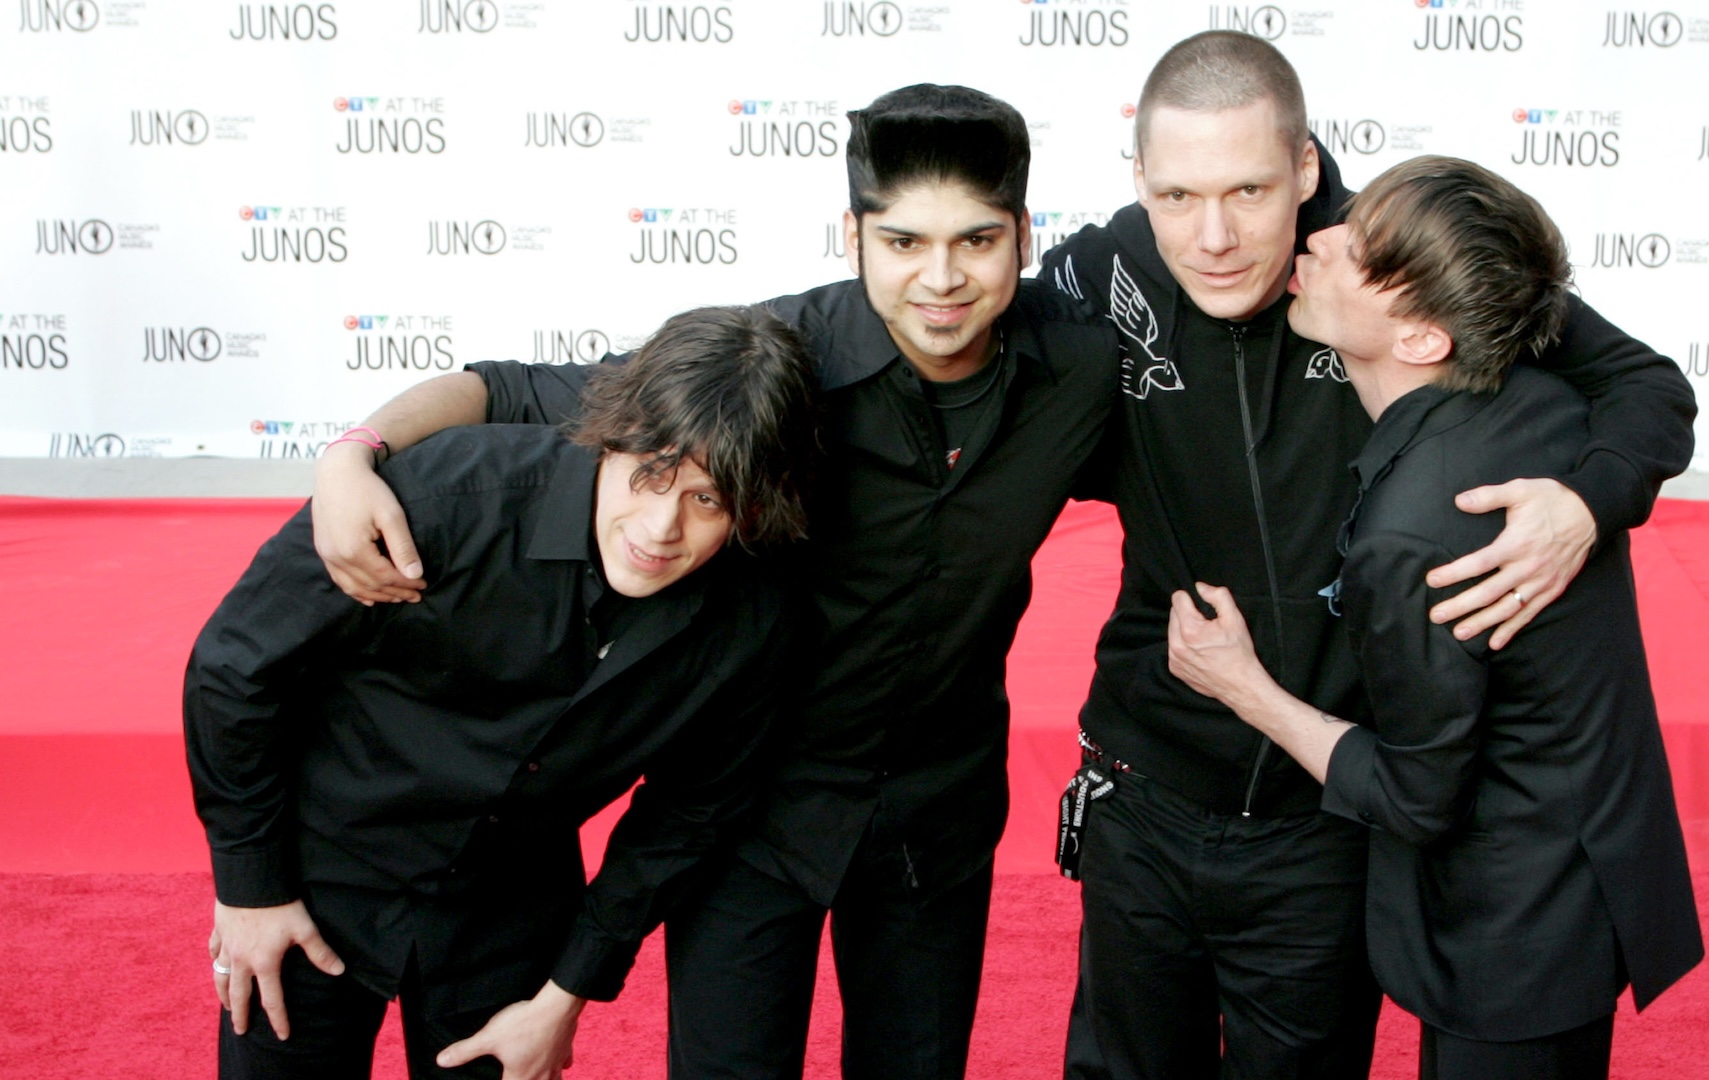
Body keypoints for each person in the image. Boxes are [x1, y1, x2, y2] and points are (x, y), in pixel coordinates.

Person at [303, 85, 1115, 1079]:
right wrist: (354, 451)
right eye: (903, 243)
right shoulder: (772, 362)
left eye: (976, 242)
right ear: (853, 235)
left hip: (935, 816)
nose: (940, 279)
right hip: (745, 807)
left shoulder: (1079, 372)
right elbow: (509, 388)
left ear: (1024, 237)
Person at [1037, 31, 1699, 1078]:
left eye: (1250, 190)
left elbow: (1647, 385)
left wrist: (1582, 502)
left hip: (1324, 817)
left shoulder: (1391, 264)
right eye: (1178, 197)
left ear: (1307, 169)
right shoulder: (1099, 269)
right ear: (1141, 184)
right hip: (1144, 787)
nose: (1212, 236)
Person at [186, 305, 819, 1080]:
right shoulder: (449, 493)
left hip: (512, 916)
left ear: (753, 508)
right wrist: (250, 889)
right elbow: (236, 667)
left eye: (708, 501)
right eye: (650, 473)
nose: (660, 527)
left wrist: (565, 996)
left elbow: (687, 814)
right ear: (611, 433)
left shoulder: (754, 619)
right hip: (318, 875)